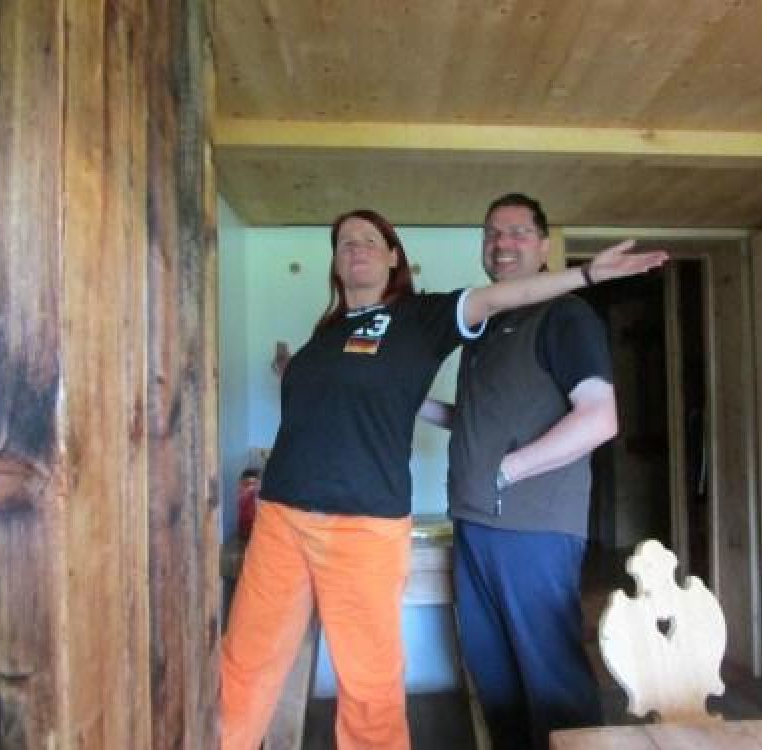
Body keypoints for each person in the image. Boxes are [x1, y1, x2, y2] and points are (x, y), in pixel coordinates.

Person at [221, 207, 663, 750]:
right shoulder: (326, 335)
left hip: (370, 524)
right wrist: (296, 369)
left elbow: (503, 297)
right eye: (344, 242)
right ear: (334, 263)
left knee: (372, 686)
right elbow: (391, 405)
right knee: (244, 663)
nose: (355, 247)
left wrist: (588, 274)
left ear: (394, 257)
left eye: (369, 239)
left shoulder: (424, 316)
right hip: (285, 515)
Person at [442, 194, 668, 749]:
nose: (503, 243)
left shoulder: (565, 315)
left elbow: (600, 418)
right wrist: (408, 407)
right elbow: (473, 420)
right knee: (496, 679)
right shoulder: (487, 326)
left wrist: (507, 471)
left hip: (531, 529)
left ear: (544, 246)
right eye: (493, 233)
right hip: (476, 523)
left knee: (551, 680)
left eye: (518, 232)